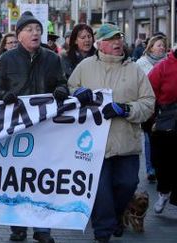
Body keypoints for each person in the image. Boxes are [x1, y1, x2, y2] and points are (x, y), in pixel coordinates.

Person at [68, 23, 155, 243]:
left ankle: (117, 215)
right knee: (101, 191)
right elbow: (69, 91)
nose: (117, 43)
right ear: (100, 44)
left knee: (127, 184)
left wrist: (126, 109)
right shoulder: (85, 66)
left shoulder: (134, 70)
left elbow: (148, 103)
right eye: (111, 39)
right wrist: (78, 94)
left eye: (119, 38)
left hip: (126, 142)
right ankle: (102, 232)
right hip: (94, 145)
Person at [0, 11, 68, 243]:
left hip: (44, 128)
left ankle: (43, 229)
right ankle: (18, 226)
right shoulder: (6, 59)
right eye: (29, 29)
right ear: (19, 34)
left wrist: (61, 91)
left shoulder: (52, 59)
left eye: (38, 29)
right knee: (18, 179)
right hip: (16, 129)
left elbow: (61, 83)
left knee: (42, 179)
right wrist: (6, 96)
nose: (35, 33)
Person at [147, 46, 177, 215]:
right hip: (166, 118)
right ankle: (164, 192)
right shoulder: (163, 67)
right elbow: (149, 92)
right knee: (162, 160)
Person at [136, 34, 167, 183]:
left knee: (165, 140)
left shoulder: (169, 62)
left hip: (166, 106)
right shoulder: (141, 63)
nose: (162, 48)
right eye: (159, 45)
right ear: (151, 47)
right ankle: (150, 169)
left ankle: (164, 169)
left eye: (163, 45)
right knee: (149, 139)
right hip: (149, 105)